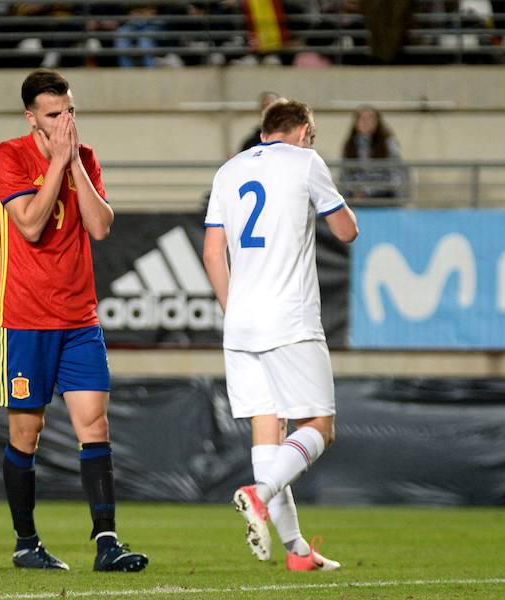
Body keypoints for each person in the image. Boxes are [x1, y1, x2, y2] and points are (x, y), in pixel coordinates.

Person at [0, 69, 148, 573]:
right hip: (24, 318)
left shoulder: (87, 158)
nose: (65, 121)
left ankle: (106, 543)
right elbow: (31, 225)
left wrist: (73, 162)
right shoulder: (7, 156)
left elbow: (100, 226)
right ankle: (26, 542)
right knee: (26, 434)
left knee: (95, 424)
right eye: (54, 114)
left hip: (79, 316)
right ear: (31, 116)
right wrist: (57, 161)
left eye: (71, 111)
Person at [202, 98, 358, 571]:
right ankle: (260, 493)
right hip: (289, 319)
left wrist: (236, 311)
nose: (311, 141)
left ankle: (296, 551)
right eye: (310, 133)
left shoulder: (228, 171)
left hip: (242, 322)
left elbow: (213, 252)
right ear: (300, 130)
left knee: (268, 431)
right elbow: (347, 232)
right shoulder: (306, 161)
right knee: (319, 427)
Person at [340, 105, 407, 203]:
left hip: (383, 195)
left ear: (377, 122)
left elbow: (396, 173)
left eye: (370, 118)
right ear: (356, 123)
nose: (366, 122)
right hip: (356, 196)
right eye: (362, 118)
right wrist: (354, 191)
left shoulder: (388, 143)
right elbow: (345, 174)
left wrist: (370, 192)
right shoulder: (350, 145)